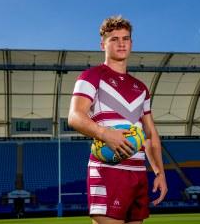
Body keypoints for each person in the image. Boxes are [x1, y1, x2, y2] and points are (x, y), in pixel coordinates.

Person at [68, 15, 168, 224]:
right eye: (114, 39)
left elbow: (150, 134)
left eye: (126, 38)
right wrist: (106, 134)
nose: (121, 43)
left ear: (131, 43)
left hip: (138, 173)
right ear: (102, 44)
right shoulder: (90, 76)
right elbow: (75, 117)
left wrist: (159, 172)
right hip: (107, 170)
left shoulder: (141, 88)